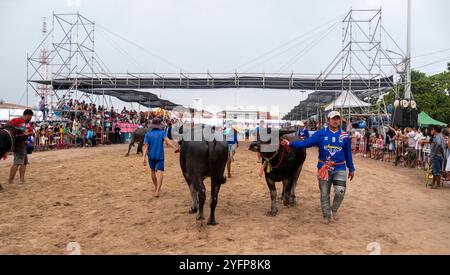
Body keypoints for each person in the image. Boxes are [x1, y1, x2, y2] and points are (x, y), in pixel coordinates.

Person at [281, 111, 355, 225]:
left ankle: (334, 209)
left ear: (340, 120)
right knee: (324, 193)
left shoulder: (344, 135)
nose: (336, 121)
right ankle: (326, 215)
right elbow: (305, 143)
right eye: (333, 118)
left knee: (340, 191)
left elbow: (348, 153)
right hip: (323, 168)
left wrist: (351, 168)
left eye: (338, 119)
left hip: (339, 167)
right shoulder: (320, 134)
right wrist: (290, 144)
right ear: (328, 120)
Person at [142, 118, 179, 198]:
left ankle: (156, 187)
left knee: (152, 171)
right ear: (159, 125)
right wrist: (175, 148)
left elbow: (145, 146)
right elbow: (167, 141)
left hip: (151, 155)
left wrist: (144, 157)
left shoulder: (148, 134)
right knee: (160, 172)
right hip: (160, 155)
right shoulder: (162, 133)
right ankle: (157, 191)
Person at [6, 109, 34, 186]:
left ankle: (22, 180)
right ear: (27, 115)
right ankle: (10, 181)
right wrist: (19, 130)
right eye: (30, 117)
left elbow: (31, 131)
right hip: (18, 144)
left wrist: (29, 133)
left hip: (24, 145)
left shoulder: (28, 124)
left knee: (24, 163)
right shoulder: (16, 120)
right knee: (17, 163)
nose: (30, 118)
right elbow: (7, 126)